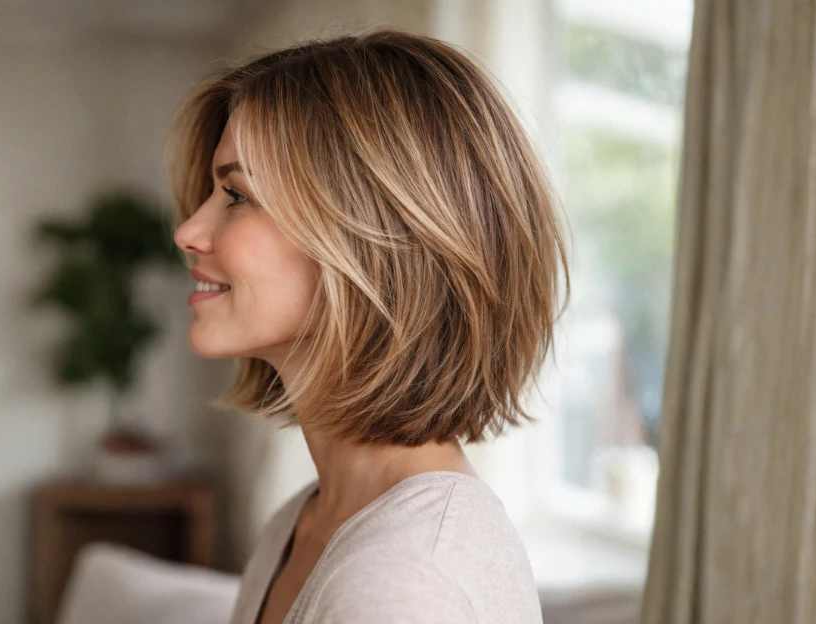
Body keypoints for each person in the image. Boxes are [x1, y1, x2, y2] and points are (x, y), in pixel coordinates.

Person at [167, 28, 569, 624]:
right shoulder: (302, 524)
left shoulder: (407, 585)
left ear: (364, 232)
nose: (188, 232)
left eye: (236, 195)